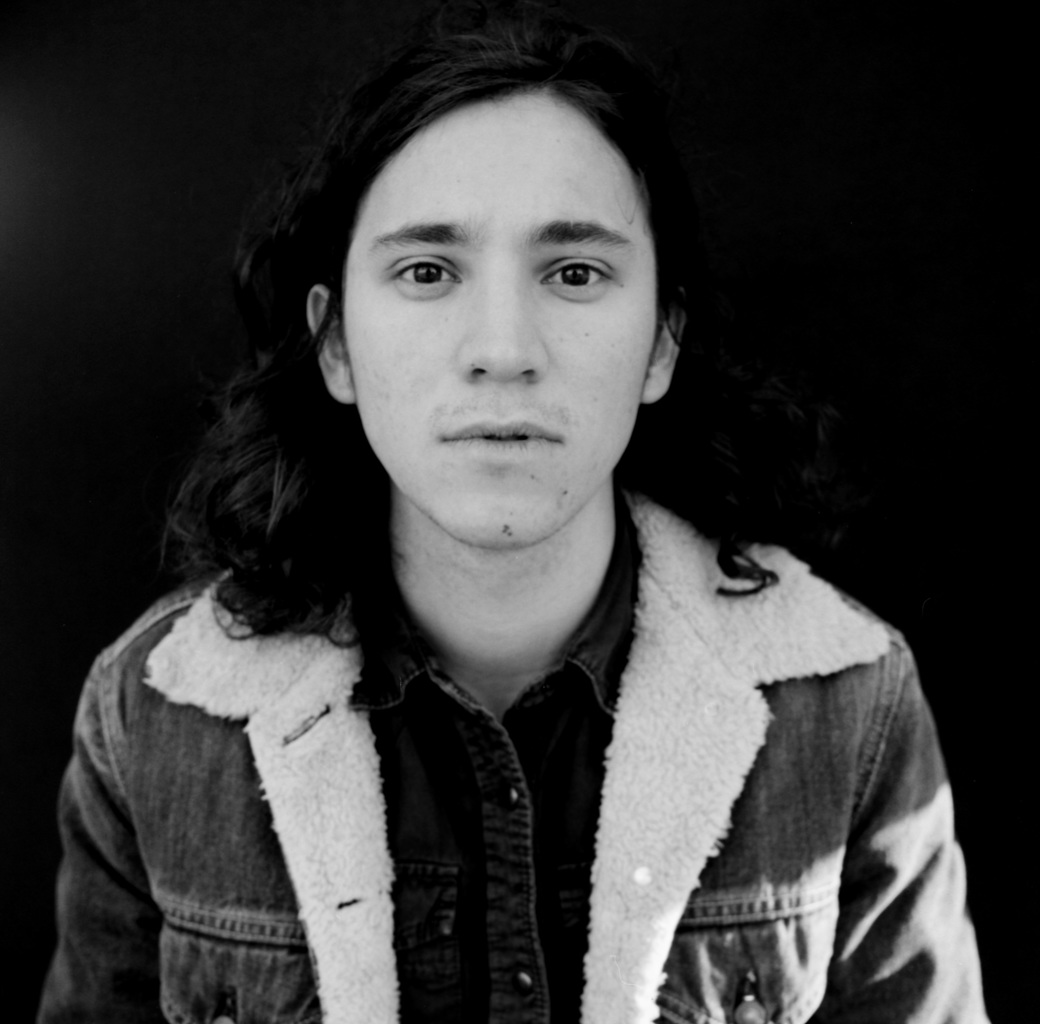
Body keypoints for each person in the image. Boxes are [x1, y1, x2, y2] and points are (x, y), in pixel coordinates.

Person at [38, 5, 988, 1023]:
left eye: (574, 273)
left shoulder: (847, 706)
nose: (501, 349)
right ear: (337, 347)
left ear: (660, 343)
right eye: (426, 272)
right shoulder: (154, 716)